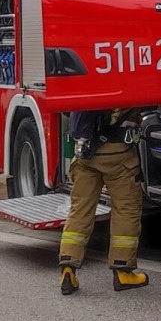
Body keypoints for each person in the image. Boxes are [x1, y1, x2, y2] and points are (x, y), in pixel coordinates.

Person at [57, 107, 149, 294]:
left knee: (80, 210)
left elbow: (68, 108)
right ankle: (123, 272)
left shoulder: (85, 81)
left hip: (85, 152)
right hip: (118, 154)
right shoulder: (121, 77)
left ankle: (68, 269)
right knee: (126, 209)